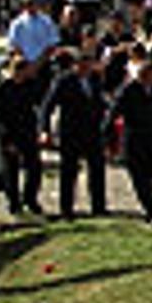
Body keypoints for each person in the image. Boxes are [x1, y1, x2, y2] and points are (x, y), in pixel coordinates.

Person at [39, 49, 107, 219]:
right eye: (82, 65)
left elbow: (100, 103)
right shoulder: (64, 81)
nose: (86, 68)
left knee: (97, 168)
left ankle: (98, 206)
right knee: (69, 171)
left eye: (88, 64)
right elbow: (47, 106)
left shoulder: (95, 79)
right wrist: (44, 130)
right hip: (71, 131)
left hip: (92, 130)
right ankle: (66, 208)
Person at [104, 57, 152, 223]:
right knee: (140, 177)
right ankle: (151, 212)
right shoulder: (128, 90)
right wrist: (107, 138)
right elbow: (113, 114)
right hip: (135, 139)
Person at [0, 56, 44, 217]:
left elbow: (36, 107)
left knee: (34, 167)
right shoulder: (3, 90)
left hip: (28, 132)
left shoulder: (30, 86)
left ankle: (30, 199)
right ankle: (14, 203)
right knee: (11, 171)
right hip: (11, 134)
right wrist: (7, 140)